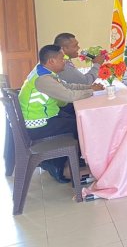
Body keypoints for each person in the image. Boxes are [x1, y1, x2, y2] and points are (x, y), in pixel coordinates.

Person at [19, 45, 103, 183]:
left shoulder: (43, 72)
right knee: (83, 125)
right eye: (61, 59)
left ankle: (74, 162)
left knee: (76, 118)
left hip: (46, 118)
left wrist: (89, 87)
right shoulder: (43, 79)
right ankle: (63, 168)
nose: (64, 61)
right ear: (51, 61)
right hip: (40, 125)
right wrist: (91, 91)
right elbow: (69, 95)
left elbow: (67, 86)